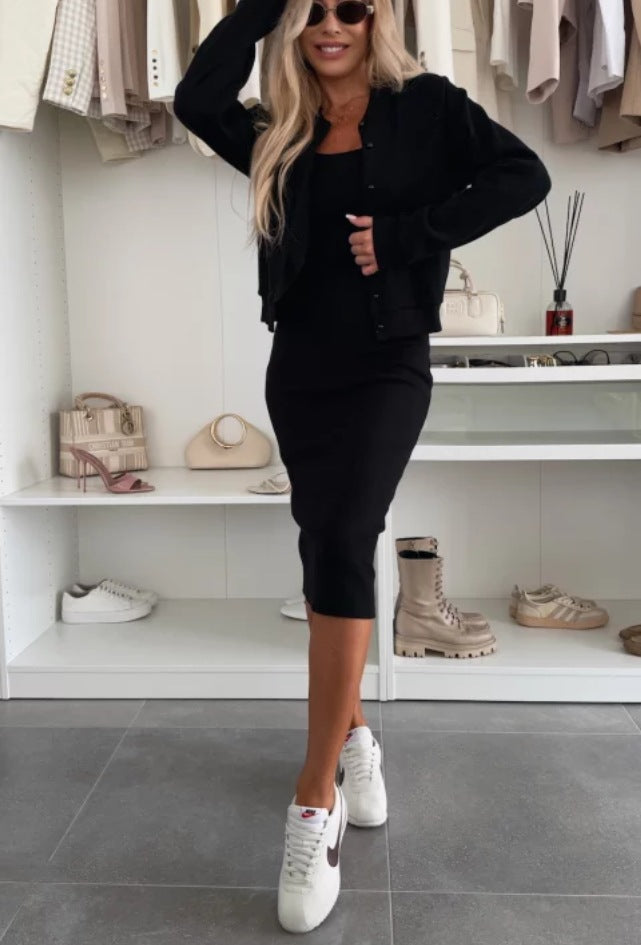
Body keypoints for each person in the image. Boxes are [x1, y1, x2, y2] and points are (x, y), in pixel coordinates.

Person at [174, 0, 551, 933]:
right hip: (300, 368)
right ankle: (356, 738)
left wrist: (410, 234)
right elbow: (194, 98)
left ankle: (315, 799)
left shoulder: (427, 106)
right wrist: (261, 9)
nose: (329, 25)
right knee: (322, 550)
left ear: (375, 16)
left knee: (346, 534)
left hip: (389, 364)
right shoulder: (278, 128)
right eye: (311, 12)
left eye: (347, 7)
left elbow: (525, 174)